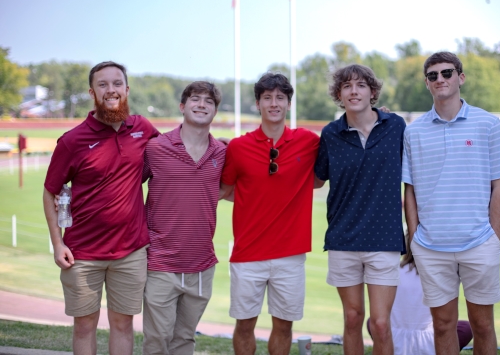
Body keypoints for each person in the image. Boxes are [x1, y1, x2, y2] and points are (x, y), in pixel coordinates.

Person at [43, 61, 159, 355]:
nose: (111, 90)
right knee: (84, 326)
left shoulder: (142, 128)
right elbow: (49, 192)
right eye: (103, 84)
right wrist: (57, 244)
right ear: (92, 92)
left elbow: (172, 152)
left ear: (127, 89)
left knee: (123, 324)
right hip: (81, 253)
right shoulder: (72, 140)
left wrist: (219, 146)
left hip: (131, 252)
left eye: (117, 83)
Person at [402, 52, 500, 355]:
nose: (440, 79)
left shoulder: (488, 124)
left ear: (460, 78)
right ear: (427, 83)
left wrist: (494, 237)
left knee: (483, 326)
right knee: (442, 325)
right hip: (431, 246)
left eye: (447, 73)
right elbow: (409, 190)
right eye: (433, 75)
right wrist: (414, 238)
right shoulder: (414, 131)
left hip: (479, 243)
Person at [220, 73, 319, 355]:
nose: (273, 103)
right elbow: (223, 190)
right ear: (257, 103)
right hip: (248, 253)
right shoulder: (238, 147)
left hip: (290, 254)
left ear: (288, 103)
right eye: (267, 98)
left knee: (284, 326)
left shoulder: (309, 142)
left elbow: (322, 176)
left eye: (280, 98)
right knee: (244, 325)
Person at [314, 64, 406, 355]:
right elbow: (315, 179)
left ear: (372, 92)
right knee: (352, 319)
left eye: (361, 85)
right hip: (343, 239)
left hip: (384, 239)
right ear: (339, 94)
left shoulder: (396, 127)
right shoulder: (330, 134)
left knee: (380, 323)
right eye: (347, 86)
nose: (354, 91)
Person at [142, 82, 227, 355]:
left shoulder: (222, 153)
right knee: (157, 341)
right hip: (161, 262)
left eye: (209, 101)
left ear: (215, 111)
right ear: (182, 106)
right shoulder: (156, 148)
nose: (202, 104)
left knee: (185, 340)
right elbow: (126, 186)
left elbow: (235, 189)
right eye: (195, 99)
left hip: (202, 265)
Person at [366, 236, 473, 354]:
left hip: (395, 338)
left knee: (372, 321)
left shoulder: (393, 271)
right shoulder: (441, 274)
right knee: (466, 327)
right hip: (431, 341)